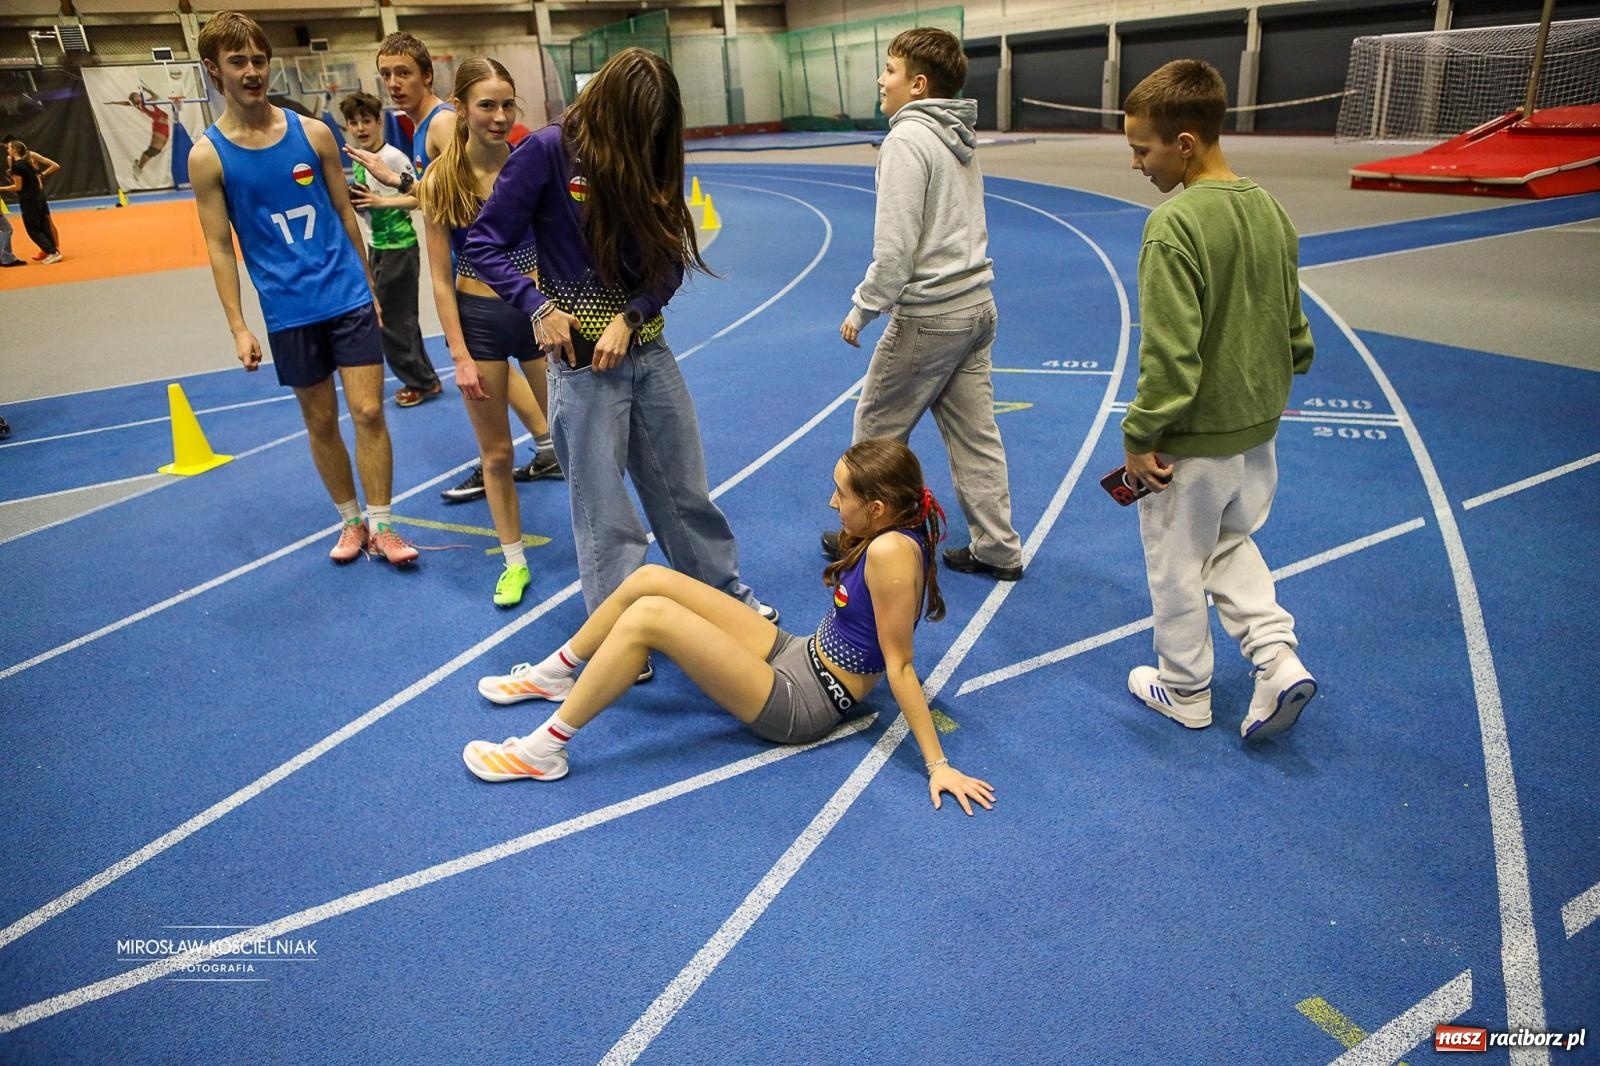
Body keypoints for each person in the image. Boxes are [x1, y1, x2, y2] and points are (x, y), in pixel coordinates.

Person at [465, 439, 997, 815]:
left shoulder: (889, 552)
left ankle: (544, 751)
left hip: (805, 702)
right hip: (800, 654)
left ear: (877, 508)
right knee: (651, 578)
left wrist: (937, 765)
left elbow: (899, 663)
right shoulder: (889, 530)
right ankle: (556, 674)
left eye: (842, 495)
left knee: (651, 618)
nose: (832, 503)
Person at [462, 46, 778, 662]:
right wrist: (538, 307)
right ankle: (617, 636)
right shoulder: (550, 151)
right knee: (605, 513)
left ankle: (722, 594)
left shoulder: (652, 152)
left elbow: (664, 267)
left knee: (685, 491)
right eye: (639, 128)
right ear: (611, 109)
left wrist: (630, 318)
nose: (647, 142)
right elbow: (484, 243)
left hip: (649, 352)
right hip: (582, 371)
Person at [1119, 59, 1317, 742]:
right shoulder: (1269, 209)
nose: (1137, 164)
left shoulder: (1172, 226)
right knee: (1229, 541)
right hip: (1256, 430)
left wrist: (1141, 433)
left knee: (1175, 566)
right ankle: (1276, 658)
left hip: (1191, 440)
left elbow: (1171, 356)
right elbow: (1294, 327)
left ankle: (1185, 692)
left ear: (1183, 144)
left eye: (1141, 149)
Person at [188, 10, 418, 567]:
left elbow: (343, 210)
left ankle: (384, 525)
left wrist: (367, 282)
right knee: (319, 421)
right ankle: (351, 522)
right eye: (238, 61)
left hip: (347, 297)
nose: (251, 71)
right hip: (288, 311)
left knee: (367, 411)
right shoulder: (208, 156)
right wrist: (239, 325)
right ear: (214, 70)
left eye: (259, 60)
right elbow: (221, 246)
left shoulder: (313, 134)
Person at [832, 27, 1023, 583]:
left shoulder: (906, 142)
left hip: (932, 315)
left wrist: (863, 307)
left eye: (888, 71)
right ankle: (998, 547)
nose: (879, 80)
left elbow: (895, 250)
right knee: (976, 436)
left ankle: (862, 536)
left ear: (917, 85)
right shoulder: (956, 136)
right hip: (977, 309)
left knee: (874, 430)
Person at [350, 31, 559, 492]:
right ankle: (540, 448)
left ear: (428, 77)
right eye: (386, 74)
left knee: (514, 378)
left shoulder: (442, 124)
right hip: (485, 288)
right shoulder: (423, 128)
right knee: (499, 378)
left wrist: (406, 185)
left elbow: (476, 203)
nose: (393, 83)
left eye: (403, 73)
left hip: (501, 288)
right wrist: (404, 188)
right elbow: (448, 200)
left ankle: (541, 448)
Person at [404, 58, 554, 608]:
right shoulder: (441, 180)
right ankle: (513, 560)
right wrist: (460, 355)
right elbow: (440, 281)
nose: (498, 116)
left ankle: (597, 551)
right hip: (482, 324)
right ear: (461, 108)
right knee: (494, 455)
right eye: (486, 105)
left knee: (573, 442)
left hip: (540, 319)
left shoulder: (530, 165)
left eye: (507, 105)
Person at [338, 90, 443, 408]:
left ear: (378, 121)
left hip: (400, 247)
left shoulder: (394, 157)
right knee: (394, 318)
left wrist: (381, 201)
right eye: (353, 122)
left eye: (366, 120)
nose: (360, 128)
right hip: (376, 246)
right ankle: (424, 377)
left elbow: (417, 196)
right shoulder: (356, 160)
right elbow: (366, 206)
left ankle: (421, 381)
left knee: (394, 320)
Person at [6, 137, 60, 264]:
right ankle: (52, 250)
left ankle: (52, 250)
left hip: (30, 198)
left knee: (36, 228)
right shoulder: (26, 163)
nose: (7, 151)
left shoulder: (23, 162)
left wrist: (1, 188)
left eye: (8, 148)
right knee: (44, 225)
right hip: (37, 195)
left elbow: (18, 186)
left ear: (14, 149)